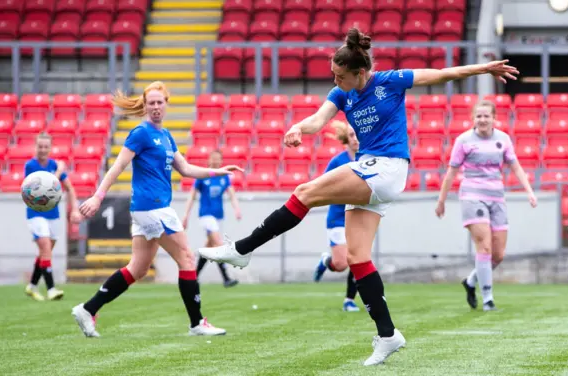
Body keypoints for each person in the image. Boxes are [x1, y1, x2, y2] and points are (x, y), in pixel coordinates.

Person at [198, 27, 519, 366]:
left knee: (305, 192)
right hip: (371, 171)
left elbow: (439, 75)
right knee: (357, 257)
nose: (335, 80)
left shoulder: (390, 81)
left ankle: (241, 250)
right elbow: (318, 120)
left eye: (340, 75)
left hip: (387, 167)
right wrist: (297, 128)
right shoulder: (341, 94)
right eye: (333, 74)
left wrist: (483, 69)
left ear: (360, 72)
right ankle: (387, 334)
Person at [72, 81, 243, 338]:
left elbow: (185, 169)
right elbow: (117, 167)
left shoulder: (166, 136)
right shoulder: (140, 133)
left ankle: (88, 309)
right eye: (150, 103)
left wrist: (217, 171)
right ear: (145, 105)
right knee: (186, 257)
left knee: (138, 269)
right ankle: (197, 323)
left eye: (159, 102)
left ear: (166, 105)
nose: (155, 107)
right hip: (152, 208)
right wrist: (97, 196)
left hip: (149, 211)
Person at [435, 100, 537, 311]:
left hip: (497, 197)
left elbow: (515, 166)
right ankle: (488, 299)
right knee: (485, 246)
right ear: (473, 119)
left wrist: (529, 191)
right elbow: (451, 172)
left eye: (486, 116)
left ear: (493, 118)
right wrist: (441, 200)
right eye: (478, 116)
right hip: (472, 195)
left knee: (498, 254)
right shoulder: (463, 140)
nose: (482, 120)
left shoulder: (503, 139)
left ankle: (471, 281)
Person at [24, 132, 82, 301]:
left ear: (50, 148)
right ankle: (51, 289)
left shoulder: (54, 165)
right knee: (46, 249)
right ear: (36, 147)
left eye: (45, 146)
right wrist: (58, 172)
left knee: (45, 252)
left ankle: (32, 286)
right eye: (40, 146)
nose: (42, 150)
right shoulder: (31, 166)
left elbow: (70, 188)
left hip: (54, 214)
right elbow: (43, 187)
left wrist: (74, 210)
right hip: (36, 214)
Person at [312, 120, 360, 312]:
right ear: (346, 139)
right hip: (338, 217)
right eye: (351, 135)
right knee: (341, 264)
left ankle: (349, 300)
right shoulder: (338, 162)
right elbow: (322, 186)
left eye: (357, 134)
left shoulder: (370, 158)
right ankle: (327, 261)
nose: (356, 139)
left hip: (359, 216)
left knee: (358, 258)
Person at [181, 150, 242, 288]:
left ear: (221, 161)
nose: (215, 161)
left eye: (218, 159)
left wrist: (236, 208)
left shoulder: (224, 177)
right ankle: (226, 278)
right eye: (213, 158)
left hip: (218, 216)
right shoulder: (202, 176)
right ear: (209, 160)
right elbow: (192, 196)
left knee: (209, 248)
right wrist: (186, 215)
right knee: (218, 244)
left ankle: (194, 277)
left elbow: (231, 194)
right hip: (206, 216)